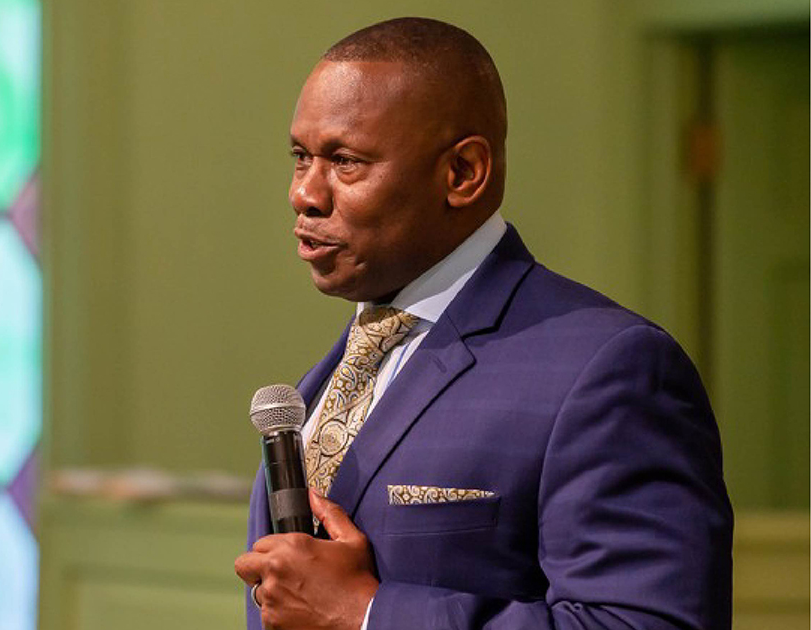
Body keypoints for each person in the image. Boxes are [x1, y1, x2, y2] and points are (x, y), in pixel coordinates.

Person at [233, 17, 732, 630]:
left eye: (346, 160)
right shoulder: (328, 378)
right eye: (301, 156)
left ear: (464, 173)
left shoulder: (609, 367)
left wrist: (367, 613)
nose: (305, 193)